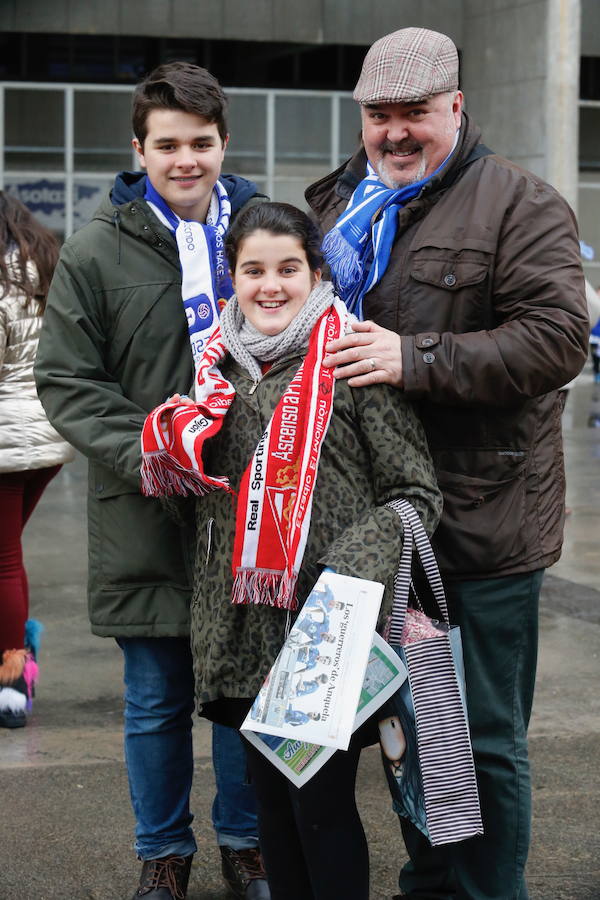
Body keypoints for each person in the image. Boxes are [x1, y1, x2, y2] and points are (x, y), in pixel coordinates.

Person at [306, 26, 589, 900]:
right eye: (379, 115)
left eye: (415, 115)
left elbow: (557, 340)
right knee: (411, 725)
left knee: (483, 738)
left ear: (457, 108)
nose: (395, 132)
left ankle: (487, 892)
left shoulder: (521, 205)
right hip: (378, 528)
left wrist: (413, 358)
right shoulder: (338, 203)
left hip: (482, 522)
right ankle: (432, 883)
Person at [139, 201, 442, 900]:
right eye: (253, 270)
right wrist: (171, 446)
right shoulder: (216, 373)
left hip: (322, 633)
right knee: (268, 807)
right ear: (232, 279)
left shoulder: (350, 359)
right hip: (238, 627)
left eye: (287, 269)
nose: (270, 286)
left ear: (314, 273)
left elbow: (416, 494)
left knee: (321, 809)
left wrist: (346, 569)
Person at [34, 63, 269, 900]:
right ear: (139, 149)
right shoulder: (98, 246)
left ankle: (249, 845)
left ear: (223, 143)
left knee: (245, 695)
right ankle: (163, 853)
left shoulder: (271, 233)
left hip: (252, 509)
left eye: (201, 143)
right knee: (157, 699)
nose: (186, 160)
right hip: (146, 507)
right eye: (167, 145)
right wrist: (151, 454)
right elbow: (66, 380)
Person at [0, 193, 74, 729]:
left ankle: (11, 680)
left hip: (8, 437)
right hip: (46, 433)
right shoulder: (42, 262)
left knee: (2, 558)